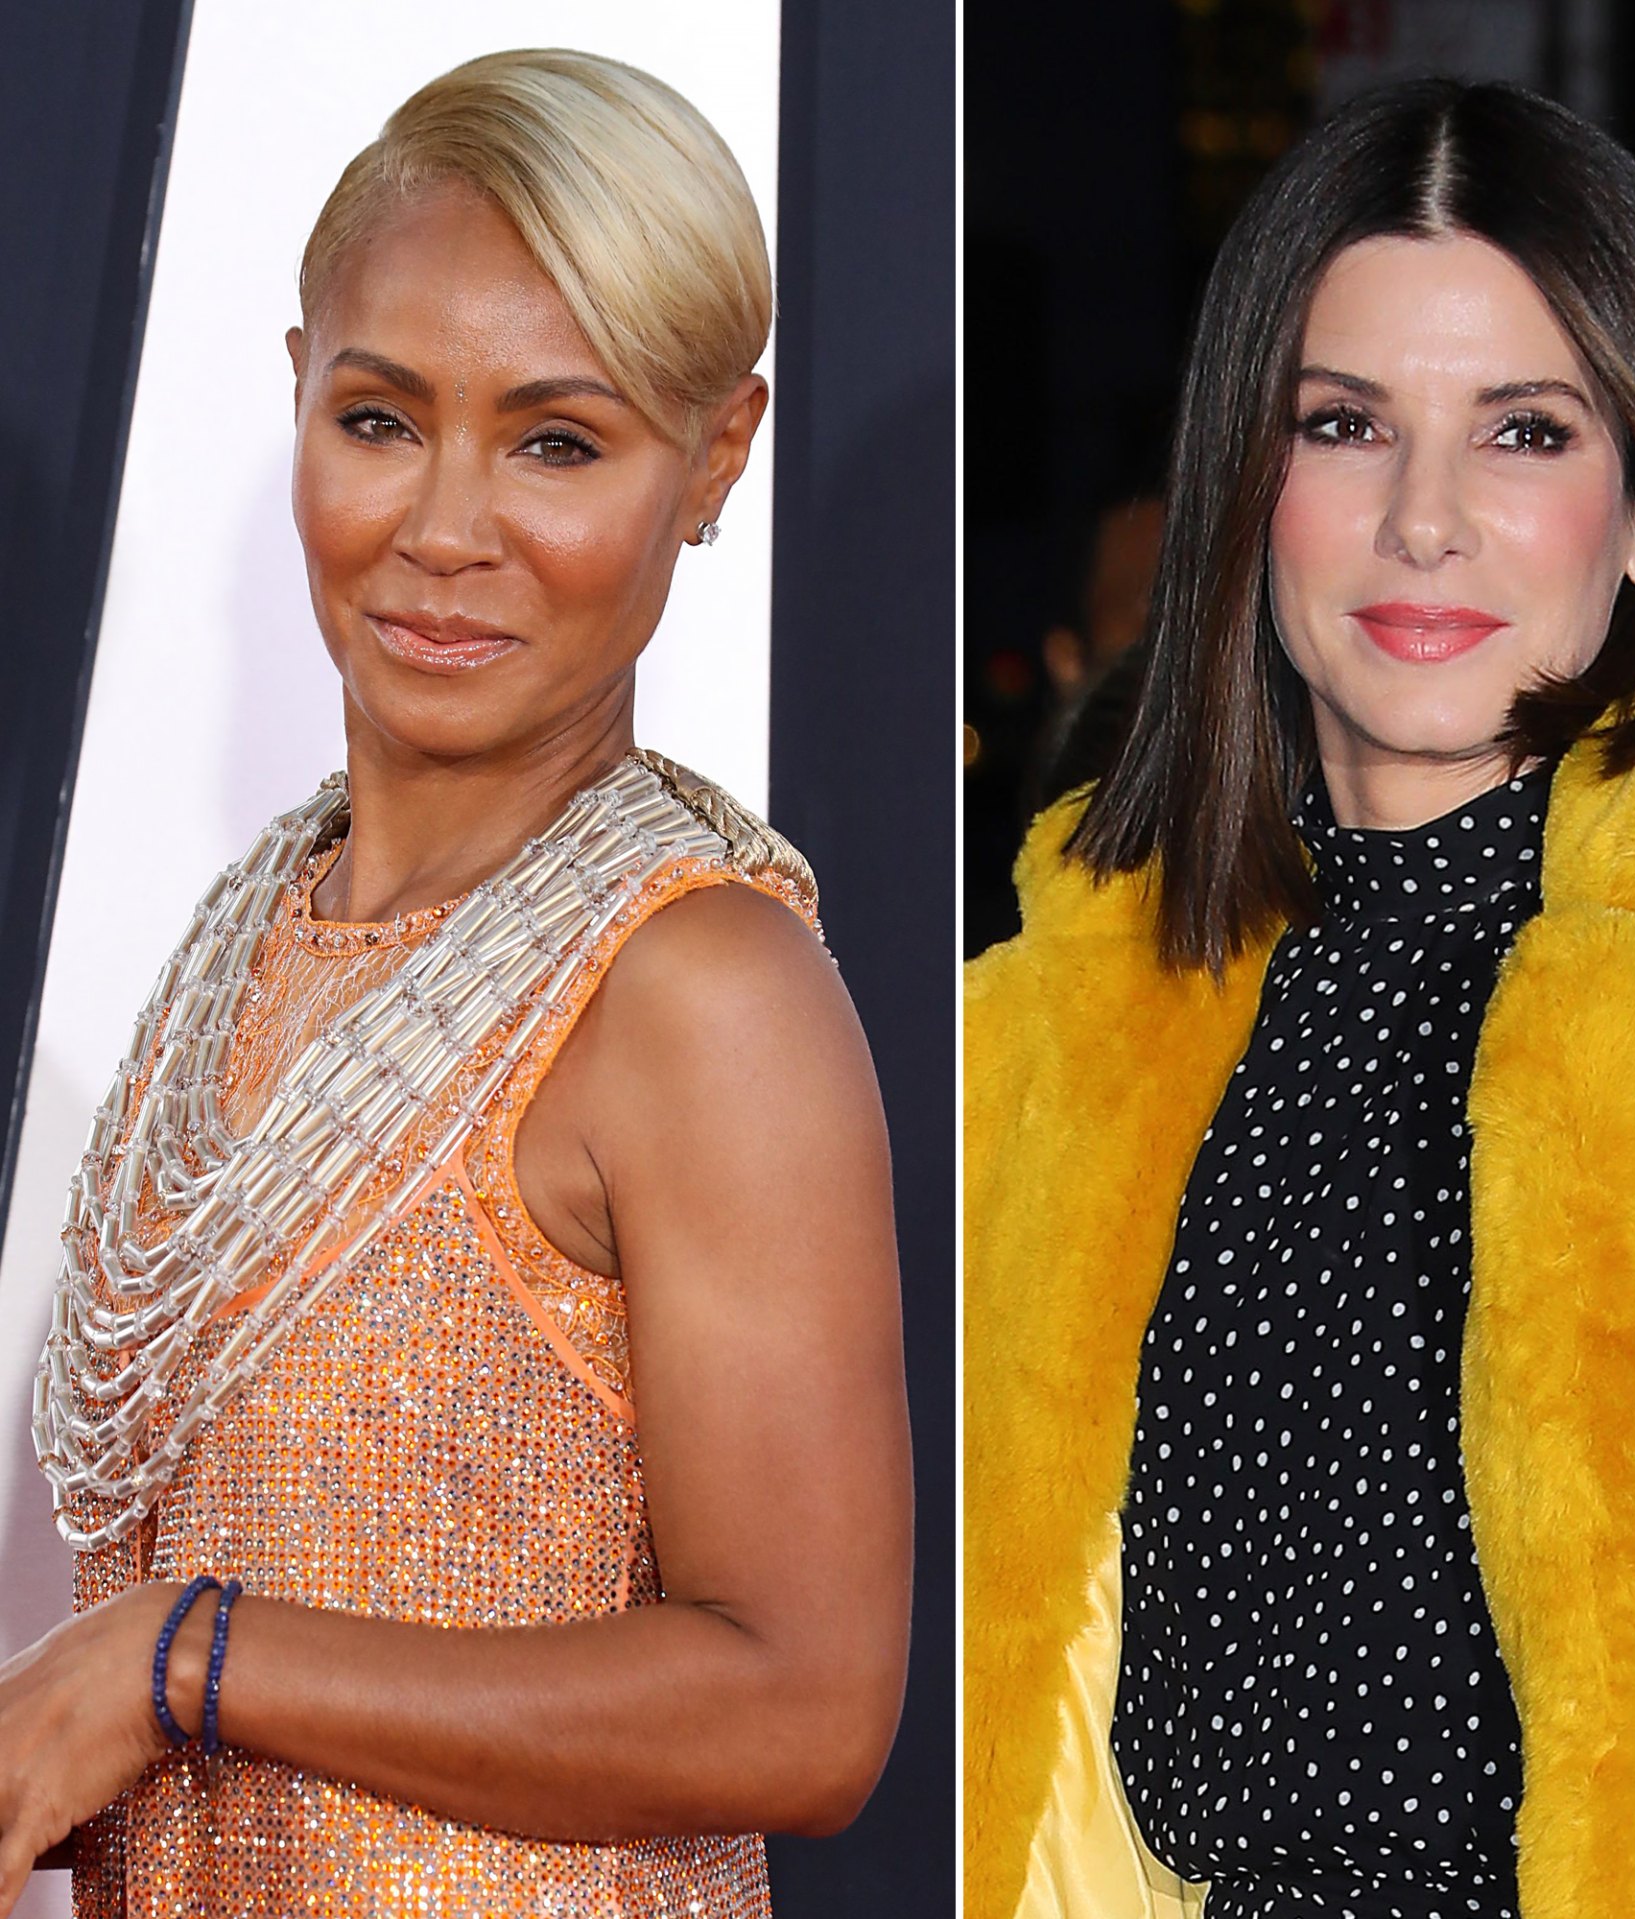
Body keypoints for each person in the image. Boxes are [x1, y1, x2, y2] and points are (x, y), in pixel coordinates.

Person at [965, 77, 1635, 1919]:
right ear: (1248, 494)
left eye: (1523, 433)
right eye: (1346, 426)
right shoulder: (1044, 1035)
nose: (1424, 521)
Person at [5, 48, 911, 1919]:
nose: (443, 528)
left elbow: (806, 1705)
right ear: (297, 396)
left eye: (557, 442)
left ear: (715, 456)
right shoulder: (241, 939)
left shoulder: (698, 991)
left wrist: (179, 1661)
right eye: (381, 418)